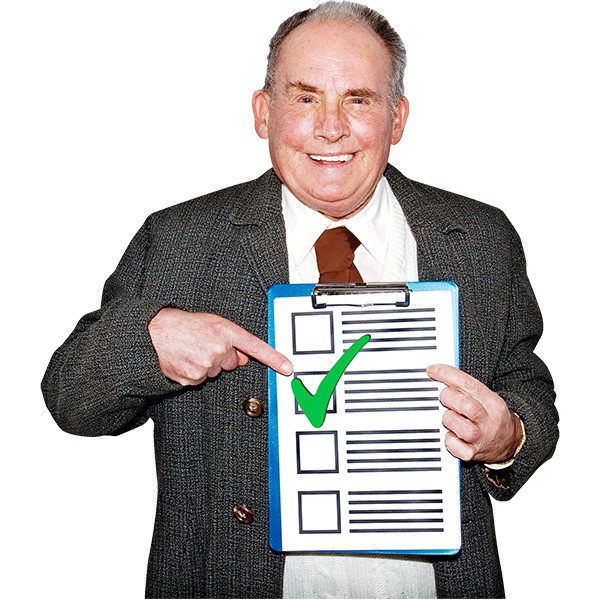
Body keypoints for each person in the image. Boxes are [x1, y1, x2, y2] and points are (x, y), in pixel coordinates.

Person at [42, 1, 558, 598]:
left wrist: (509, 436)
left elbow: (528, 384)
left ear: (398, 118)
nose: (331, 128)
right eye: (306, 98)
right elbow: (69, 398)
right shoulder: (181, 241)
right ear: (264, 113)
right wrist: (150, 342)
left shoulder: (479, 238)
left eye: (358, 100)